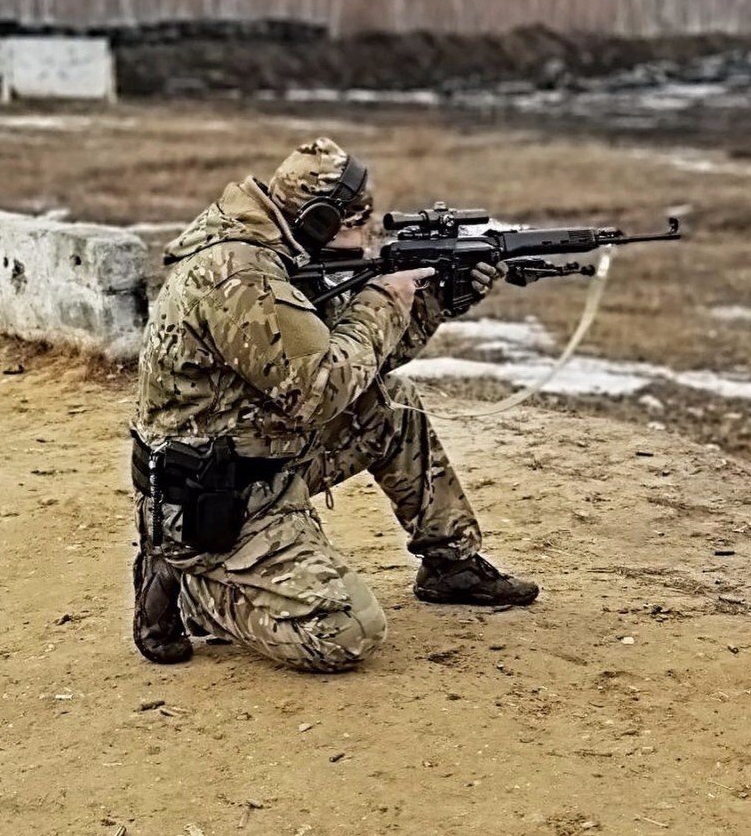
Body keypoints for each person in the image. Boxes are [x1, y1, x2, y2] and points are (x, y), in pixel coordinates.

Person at [131, 137, 538, 672]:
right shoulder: (239, 276)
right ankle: (191, 585)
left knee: (391, 406)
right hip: (217, 499)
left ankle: (449, 563)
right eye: (359, 224)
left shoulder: (282, 252)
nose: (372, 241)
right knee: (343, 634)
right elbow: (319, 392)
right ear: (321, 220)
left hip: (266, 456)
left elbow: (363, 363)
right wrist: (382, 300)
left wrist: (436, 301)